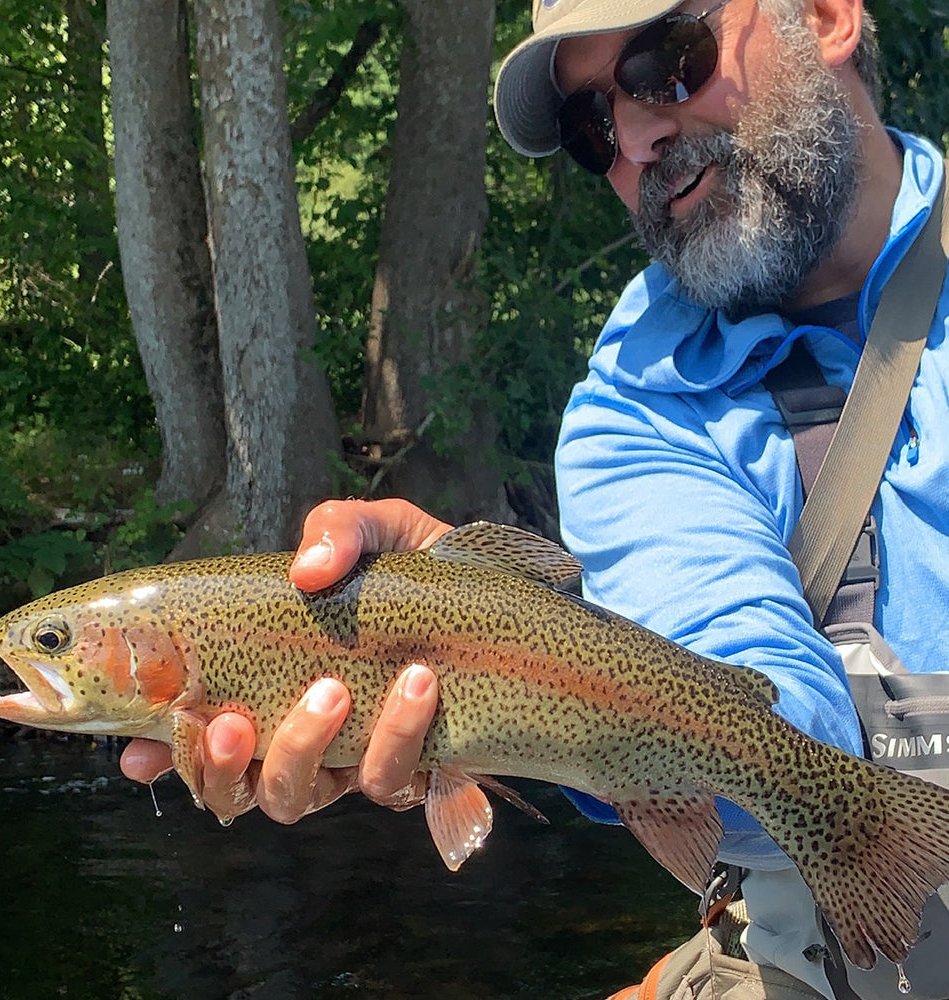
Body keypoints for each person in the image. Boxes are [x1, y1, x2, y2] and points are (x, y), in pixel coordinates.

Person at [122, 0, 949, 996]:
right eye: (589, 124)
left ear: (822, 17)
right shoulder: (636, 398)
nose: (637, 136)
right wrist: (513, 643)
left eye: (666, 61)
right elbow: (778, 739)